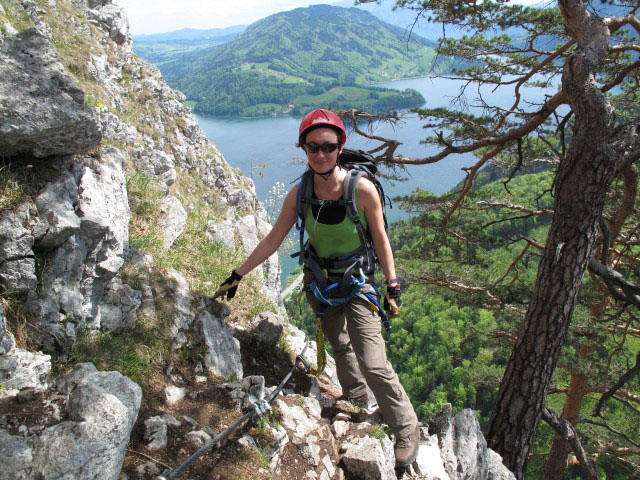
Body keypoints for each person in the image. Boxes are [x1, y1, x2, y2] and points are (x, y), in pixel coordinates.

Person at [214, 108, 419, 467]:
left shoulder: (362, 190)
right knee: (340, 347)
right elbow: (272, 240)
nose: (321, 154)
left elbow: (382, 240)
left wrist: (392, 284)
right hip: (320, 285)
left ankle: (405, 427)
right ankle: (355, 400)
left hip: (356, 285)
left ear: (340, 147)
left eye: (328, 146)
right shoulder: (300, 194)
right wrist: (238, 274)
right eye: (313, 147)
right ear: (304, 149)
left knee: (372, 361)